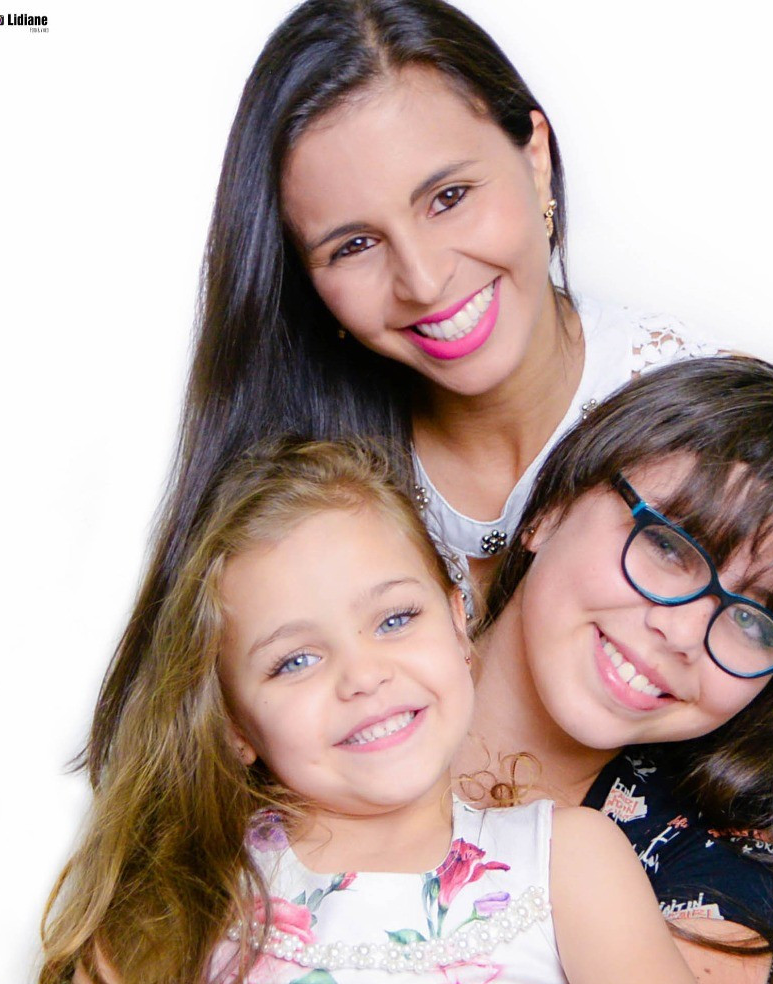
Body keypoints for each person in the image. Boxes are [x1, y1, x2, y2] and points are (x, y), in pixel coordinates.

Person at [6, 438, 731, 984]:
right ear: (235, 724)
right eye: (295, 660)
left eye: (394, 619)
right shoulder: (192, 885)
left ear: (458, 621)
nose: (362, 676)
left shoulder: (565, 855)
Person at [88, 0, 719, 789]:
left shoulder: (713, 432)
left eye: (448, 197)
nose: (423, 280)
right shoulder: (301, 472)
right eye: (354, 245)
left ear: (535, 158)